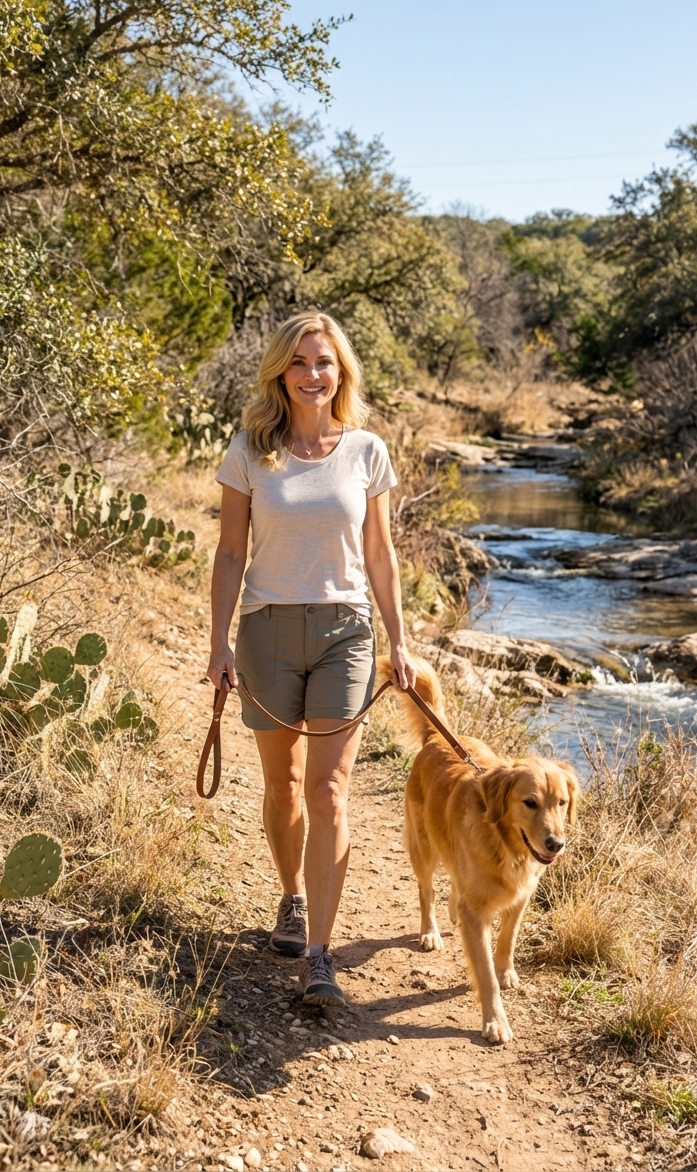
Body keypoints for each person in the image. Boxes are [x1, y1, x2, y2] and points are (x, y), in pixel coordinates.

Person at [207, 311, 417, 1007]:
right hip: (266, 629)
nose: (311, 375)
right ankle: (291, 896)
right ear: (279, 372)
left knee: (329, 791)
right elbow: (231, 551)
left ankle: (320, 956)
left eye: (323, 362)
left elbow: (381, 556)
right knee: (284, 785)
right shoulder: (249, 451)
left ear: (341, 372)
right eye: (298, 363)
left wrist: (400, 639)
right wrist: (218, 642)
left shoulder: (365, 451)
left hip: (346, 634)